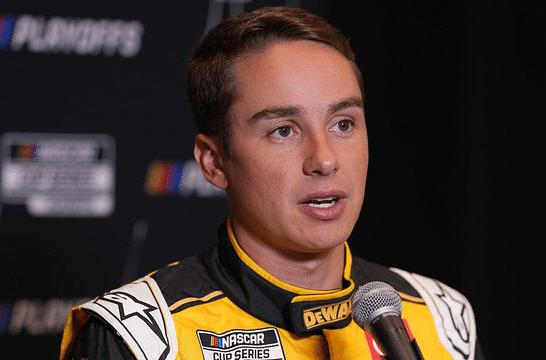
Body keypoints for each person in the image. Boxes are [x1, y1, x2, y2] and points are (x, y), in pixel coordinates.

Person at [60, 7, 485, 360]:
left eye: (343, 123)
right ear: (213, 161)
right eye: (284, 130)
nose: (324, 159)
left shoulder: (441, 316)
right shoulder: (139, 338)